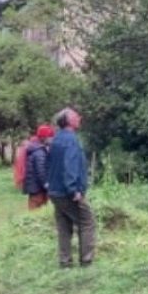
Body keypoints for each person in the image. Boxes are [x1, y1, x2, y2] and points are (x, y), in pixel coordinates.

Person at [46, 107, 96, 268]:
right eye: (76, 116)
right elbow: (70, 165)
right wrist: (74, 189)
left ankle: (65, 261)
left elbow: (49, 164)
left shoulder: (55, 139)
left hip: (55, 191)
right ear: (68, 121)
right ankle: (86, 260)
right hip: (68, 191)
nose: (79, 118)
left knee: (64, 226)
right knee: (87, 221)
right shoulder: (71, 140)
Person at [23, 124, 54, 210]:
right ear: (44, 137)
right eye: (50, 137)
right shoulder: (39, 152)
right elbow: (41, 171)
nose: (52, 139)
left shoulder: (36, 149)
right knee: (35, 213)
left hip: (35, 188)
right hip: (37, 189)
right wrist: (46, 184)